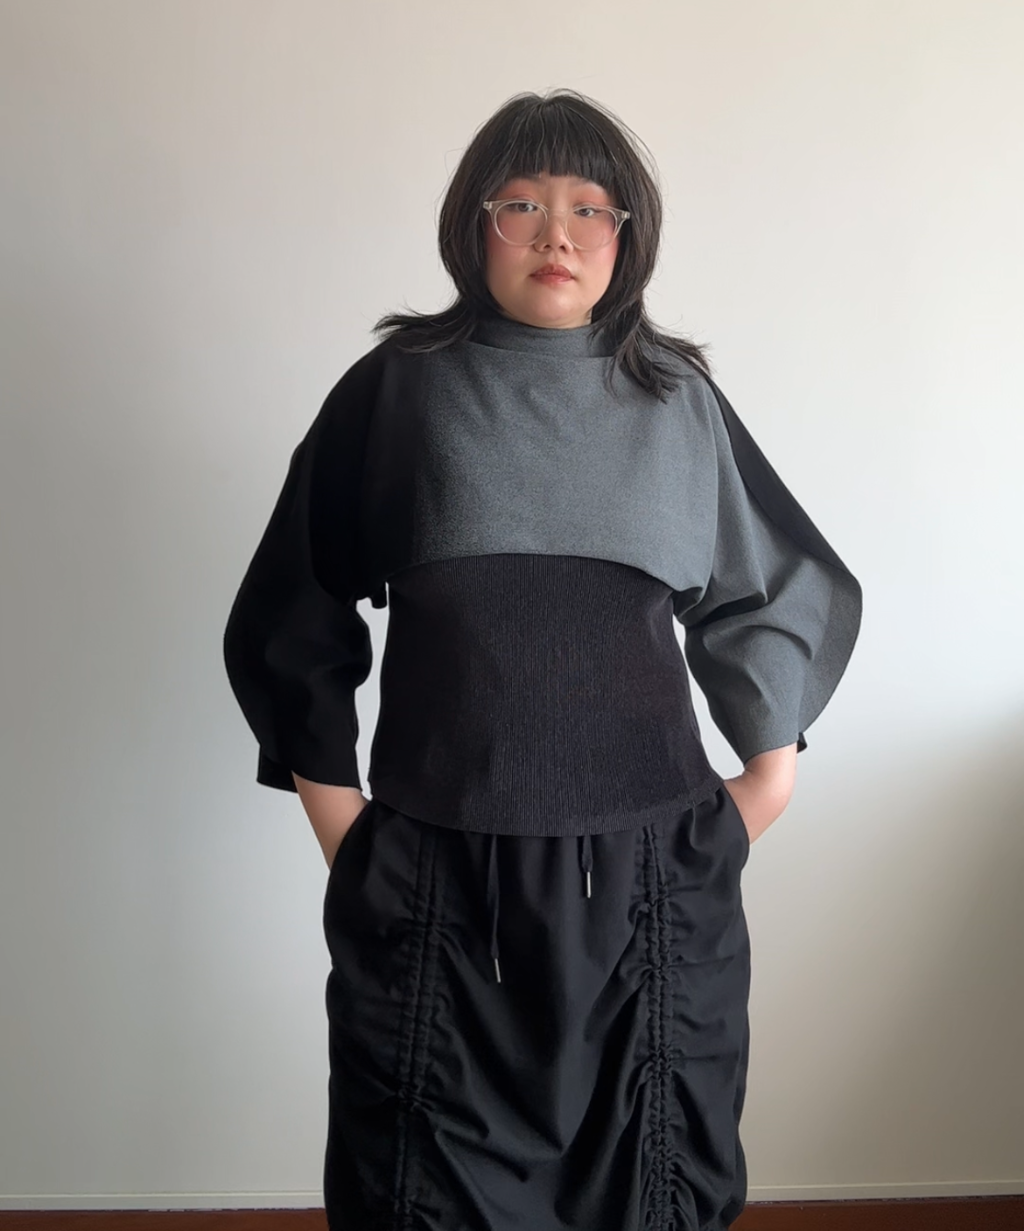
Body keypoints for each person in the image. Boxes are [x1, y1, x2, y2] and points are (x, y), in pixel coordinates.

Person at [223, 88, 861, 1231]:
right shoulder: (401, 388)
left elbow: (771, 587)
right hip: (434, 876)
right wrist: (341, 819)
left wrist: (766, 778)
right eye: (520, 203)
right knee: (421, 1190)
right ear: (474, 225)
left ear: (626, 234)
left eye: (588, 208)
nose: (556, 234)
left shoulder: (677, 400)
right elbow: (294, 602)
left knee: (654, 1187)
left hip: (654, 881)